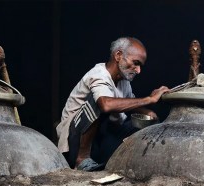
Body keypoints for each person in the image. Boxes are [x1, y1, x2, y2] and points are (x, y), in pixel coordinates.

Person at [56, 37, 169, 170]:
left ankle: (127, 161)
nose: (138, 70)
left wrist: (150, 113)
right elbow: (106, 105)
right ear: (118, 55)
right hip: (75, 141)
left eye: (140, 66)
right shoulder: (99, 75)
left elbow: (131, 104)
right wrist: (149, 99)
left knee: (151, 122)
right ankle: (82, 160)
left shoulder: (123, 80)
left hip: (103, 138)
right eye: (135, 63)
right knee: (99, 102)